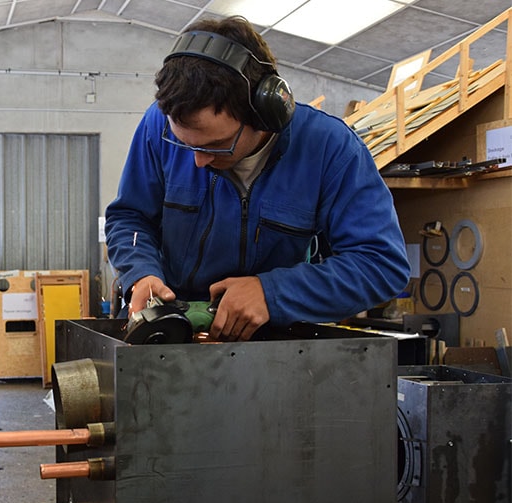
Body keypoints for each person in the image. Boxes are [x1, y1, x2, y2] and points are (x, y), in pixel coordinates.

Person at [104, 16, 409, 342]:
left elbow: (381, 265)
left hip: (272, 347)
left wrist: (273, 293)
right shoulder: (159, 126)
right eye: (185, 144)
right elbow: (130, 217)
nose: (197, 160)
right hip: (167, 335)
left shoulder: (330, 149)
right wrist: (140, 272)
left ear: (266, 114)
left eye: (216, 146)